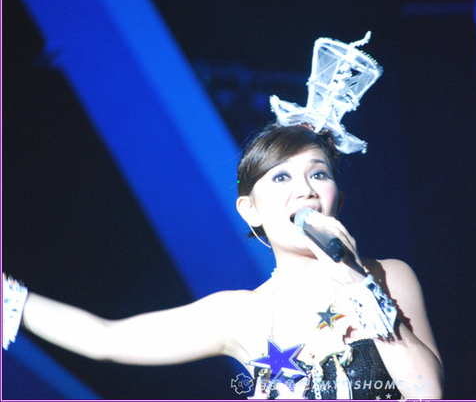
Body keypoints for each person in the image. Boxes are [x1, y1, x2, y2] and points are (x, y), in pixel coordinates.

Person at [3, 34, 443, 400]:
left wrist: (358, 287)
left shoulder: (387, 277)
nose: (305, 189)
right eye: (281, 177)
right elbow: (106, 338)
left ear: (337, 200)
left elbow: (428, 393)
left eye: (319, 174)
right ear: (250, 209)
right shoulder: (241, 314)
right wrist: (10, 299)